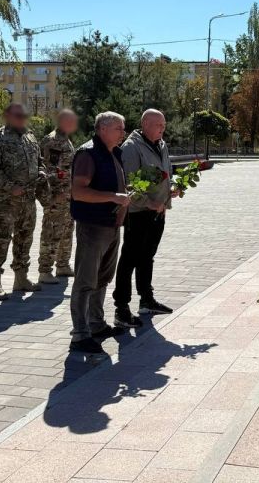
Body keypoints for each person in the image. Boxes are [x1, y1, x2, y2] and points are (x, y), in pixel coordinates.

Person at [68, 111, 132, 355]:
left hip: (111, 226)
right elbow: (79, 192)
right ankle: (80, 335)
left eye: (123, 128)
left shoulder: (113, 152)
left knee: (103, 278)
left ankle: (96, 324)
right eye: (119, 128)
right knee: (85, 281)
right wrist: (113, 197)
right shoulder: (87, 153)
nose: (123, 133)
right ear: (103, 129)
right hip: (93, 227)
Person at [112, 108, 176, 327]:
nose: (163, 128)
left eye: (164, 125)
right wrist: (148, 202)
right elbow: (128, 184)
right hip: (138, 213)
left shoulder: (161, 145)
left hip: (158, 212)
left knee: (148, 256)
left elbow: (168, 172)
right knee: (129, 258)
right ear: (146, 124)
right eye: (159, 125)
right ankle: (121, 308)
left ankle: (146, 300)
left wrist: (172, 188)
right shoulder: (131, 147)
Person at [0, 103, 48, 300]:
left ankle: (21, 278)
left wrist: (41, 171)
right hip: (4, 201)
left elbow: (39, 161)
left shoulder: (30, 136)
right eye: (18, 115)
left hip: (28, 199)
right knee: (0, 241)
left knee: (25, 238)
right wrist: (10, 187)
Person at [38, 109, 78, 283]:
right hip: (57, 196)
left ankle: (62, 264)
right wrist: (54, 194)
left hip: (69, 195)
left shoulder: (66, 140)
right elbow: (48, 169)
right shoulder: (52, 140)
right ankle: (45, 270)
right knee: (52, 232)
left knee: (67, 231)